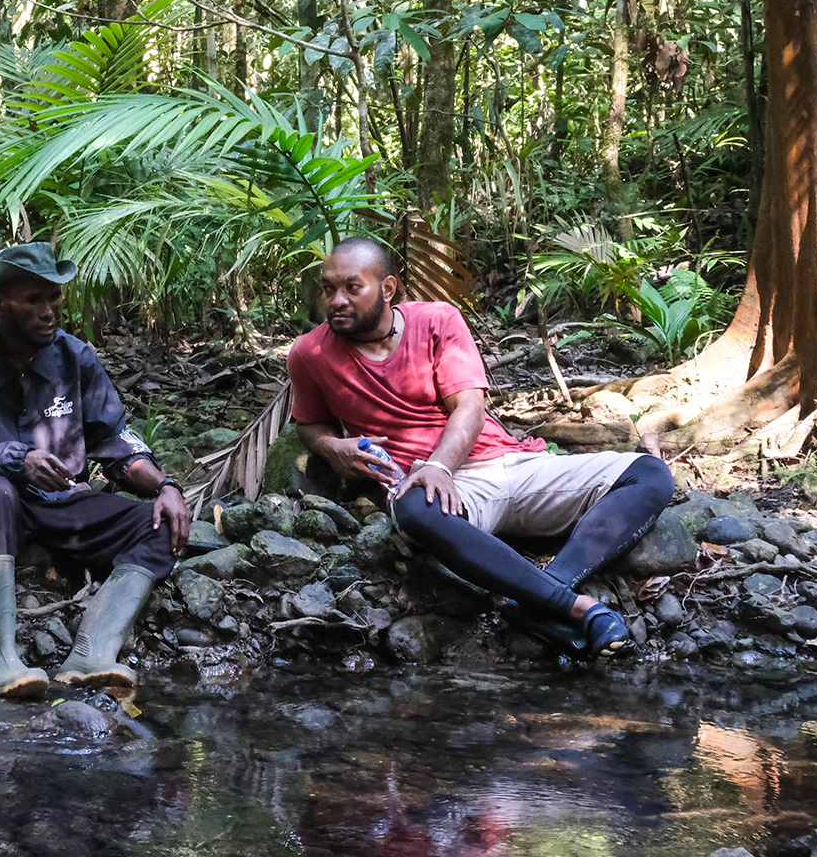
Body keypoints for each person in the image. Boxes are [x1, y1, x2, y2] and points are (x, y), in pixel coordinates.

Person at [287, 235, 675, 660]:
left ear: (388, 288)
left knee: (648, 473)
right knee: (413, 510)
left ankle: (538, 596)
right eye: (328, 288)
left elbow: (469, 407)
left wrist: (440, 465)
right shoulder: (309, 354)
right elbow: (309, 424)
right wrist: (331, 446)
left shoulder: (437, 320)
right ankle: (576, 607)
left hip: (511, 462)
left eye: (351, 287)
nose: (336, 300)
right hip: (443, 492)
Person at [0, 242, 190, 698]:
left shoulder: (76, 357)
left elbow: (117, 440)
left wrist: (164, 485)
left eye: (54, 298)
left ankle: (93, 651)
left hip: (59, 503)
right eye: (33, 300)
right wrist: (18, 459)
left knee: (157, 523)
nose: (48, 311)